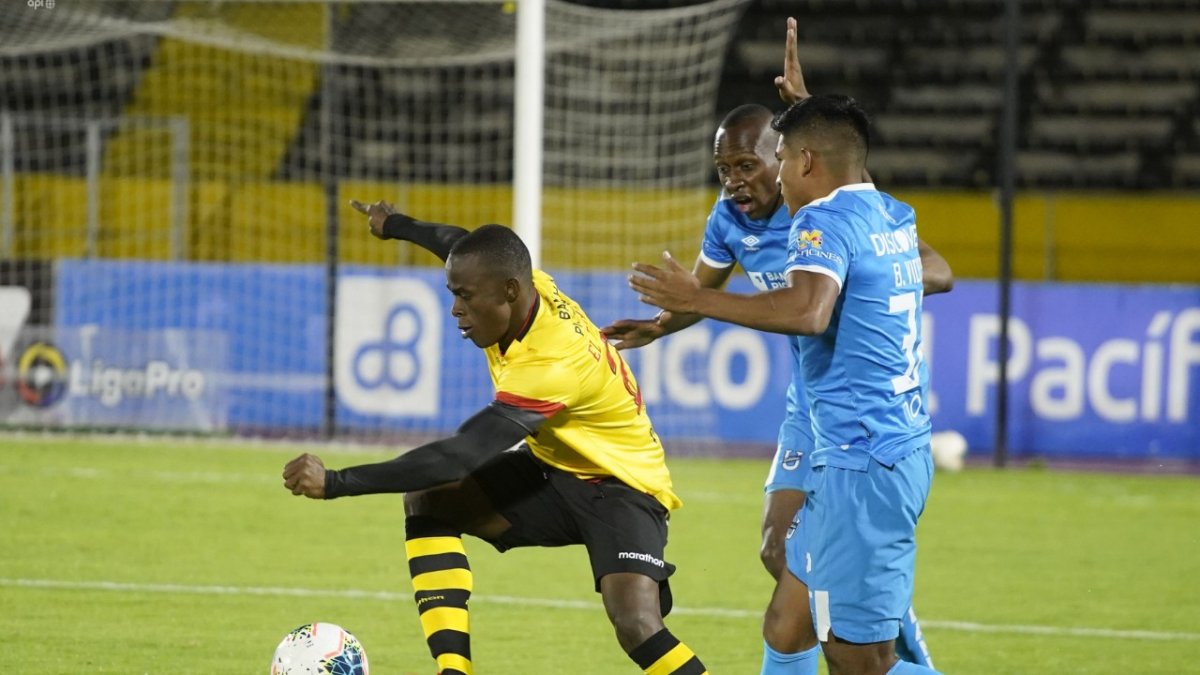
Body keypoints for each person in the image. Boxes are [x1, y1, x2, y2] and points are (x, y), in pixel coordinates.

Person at [604, 18, 947, 674]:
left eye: (761, 161)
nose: (736, 179)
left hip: (864, 446)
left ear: (796, 162)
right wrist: (661, 322)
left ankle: (895, 625)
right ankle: (874, 597)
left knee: (854, 651)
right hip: (830, 417)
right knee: (787, 605)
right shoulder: (865, 211)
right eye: (724, 167)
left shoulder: (826, 218)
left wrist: (870, 285)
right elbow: (841, 164)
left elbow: (810, 310)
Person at [282, 202, 708, 675]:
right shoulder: (529, 285)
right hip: (555, 467)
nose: (455, 309)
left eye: (465, 297)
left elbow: (459, 456)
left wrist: (337, 482)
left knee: (636, 625)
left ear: (508, 291)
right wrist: (397, 226)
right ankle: (454, 670)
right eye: (453, 293)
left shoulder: (551, 363)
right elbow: (459, 243)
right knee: (429, 500)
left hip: (625, 487)